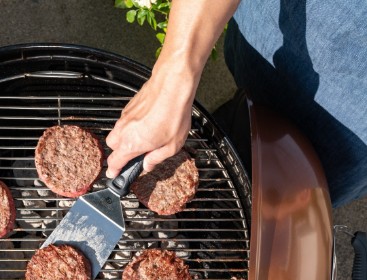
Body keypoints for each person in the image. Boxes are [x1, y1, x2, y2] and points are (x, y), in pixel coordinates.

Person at [106, 0, 367, 208]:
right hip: (282, 25)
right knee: (246, 99)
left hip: (354, 122)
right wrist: (173, 76)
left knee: (295, 190)